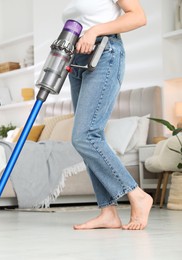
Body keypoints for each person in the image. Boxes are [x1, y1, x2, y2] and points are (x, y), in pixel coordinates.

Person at [62, 0, 153, 230]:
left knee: (85, 136)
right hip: (78, 60)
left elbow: (138, 16)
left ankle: (138, 195)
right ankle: (108, 212)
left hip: (105, 53)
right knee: (90, 139)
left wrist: (94, 31)